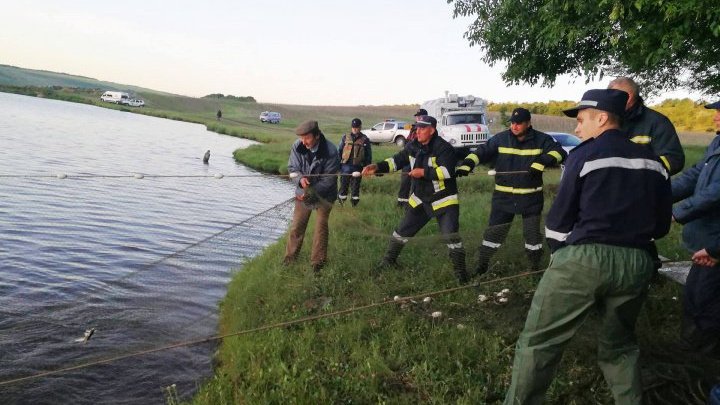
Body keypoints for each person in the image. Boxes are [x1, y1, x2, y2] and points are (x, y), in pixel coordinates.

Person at [504, 89, 672, 404]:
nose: (577, 129)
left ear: (603, 117)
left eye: (581, 121)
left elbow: (557, 222)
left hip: (583, 260)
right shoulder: (655, 162)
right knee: (620, 347)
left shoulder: (584, 155)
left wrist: (562, 258)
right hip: (637, 263)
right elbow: (661, 226)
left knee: (539, 344)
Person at [456, 107, 567, 275]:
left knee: (532, 237)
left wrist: (542, 161)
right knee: (493, 234)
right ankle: (482, 266)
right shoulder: (500, 139)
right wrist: (467, 164)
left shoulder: (542, 139)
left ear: (528, 123)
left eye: (519, 123)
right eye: (512, 123)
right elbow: (480, 152)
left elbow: (560, 153)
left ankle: (534, 269)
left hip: (531, 199)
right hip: (503, 199)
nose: (514, 126)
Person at [362, 115, 469, 284]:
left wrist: (423, 173)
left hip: (444, 200)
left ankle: (461, 274)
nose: (417, 131)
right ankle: (388, 261)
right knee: (401, 231)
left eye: (422, 128)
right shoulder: (414, 145)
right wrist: (377, 167)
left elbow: (448, 172)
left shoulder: (444, 148)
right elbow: (397, 160)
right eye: (416, 128)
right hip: (420, 198)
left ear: (432, 130)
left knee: (451, 236)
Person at [671, 99, 720, 354]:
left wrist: (676, 212)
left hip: (715, 242)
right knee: (694, 296)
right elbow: (695, 175)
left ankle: (702, 359)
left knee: (705, 303)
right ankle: (692, 349)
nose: (715, 118)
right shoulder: (717, 143)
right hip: (708, 240)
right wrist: (658, 193)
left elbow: (715, 193)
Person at [284, 120, 340, 272]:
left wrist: (312, 193)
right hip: (303, 192)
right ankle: (289, 259)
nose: (304, 142)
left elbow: (329, 180)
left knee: (320, 228)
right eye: (301, 138)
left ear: (316, 135)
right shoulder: (297, 145)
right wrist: (300, 180)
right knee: (297, 226)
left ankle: (317, 264)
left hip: (325, 195)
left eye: (307, 138)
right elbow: (292, 168)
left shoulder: (331, 151)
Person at [608, 77, 684, 175]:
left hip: (644, 188)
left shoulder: (658, 122)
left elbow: (674, 159)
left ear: (628, 97)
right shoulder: (607, 119)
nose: (608, 99)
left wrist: (640, 174)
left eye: (612, 95)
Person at [337, 118, 372, 207]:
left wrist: (367, 166)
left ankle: (354, 205)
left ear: (360, 127)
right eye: (353, 127)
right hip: (345, 166)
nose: (355, 129)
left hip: (358, 167)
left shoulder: (365, 139)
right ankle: (341, 204)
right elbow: (339, 151)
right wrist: (338, 165)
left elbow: (368, 154)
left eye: (357, 127)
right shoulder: (345, 137)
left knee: (355, 187)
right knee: (343, 186)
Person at [397, 108, 426, 207]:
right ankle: (401, 203)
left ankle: (414, 205)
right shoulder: (414, 128)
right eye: (417, 116)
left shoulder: (427, 129)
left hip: (417, 160)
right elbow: (409, 141)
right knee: (405, 181)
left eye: (419, 116)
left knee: (416, 183)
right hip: (408, 159)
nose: (417, 118)